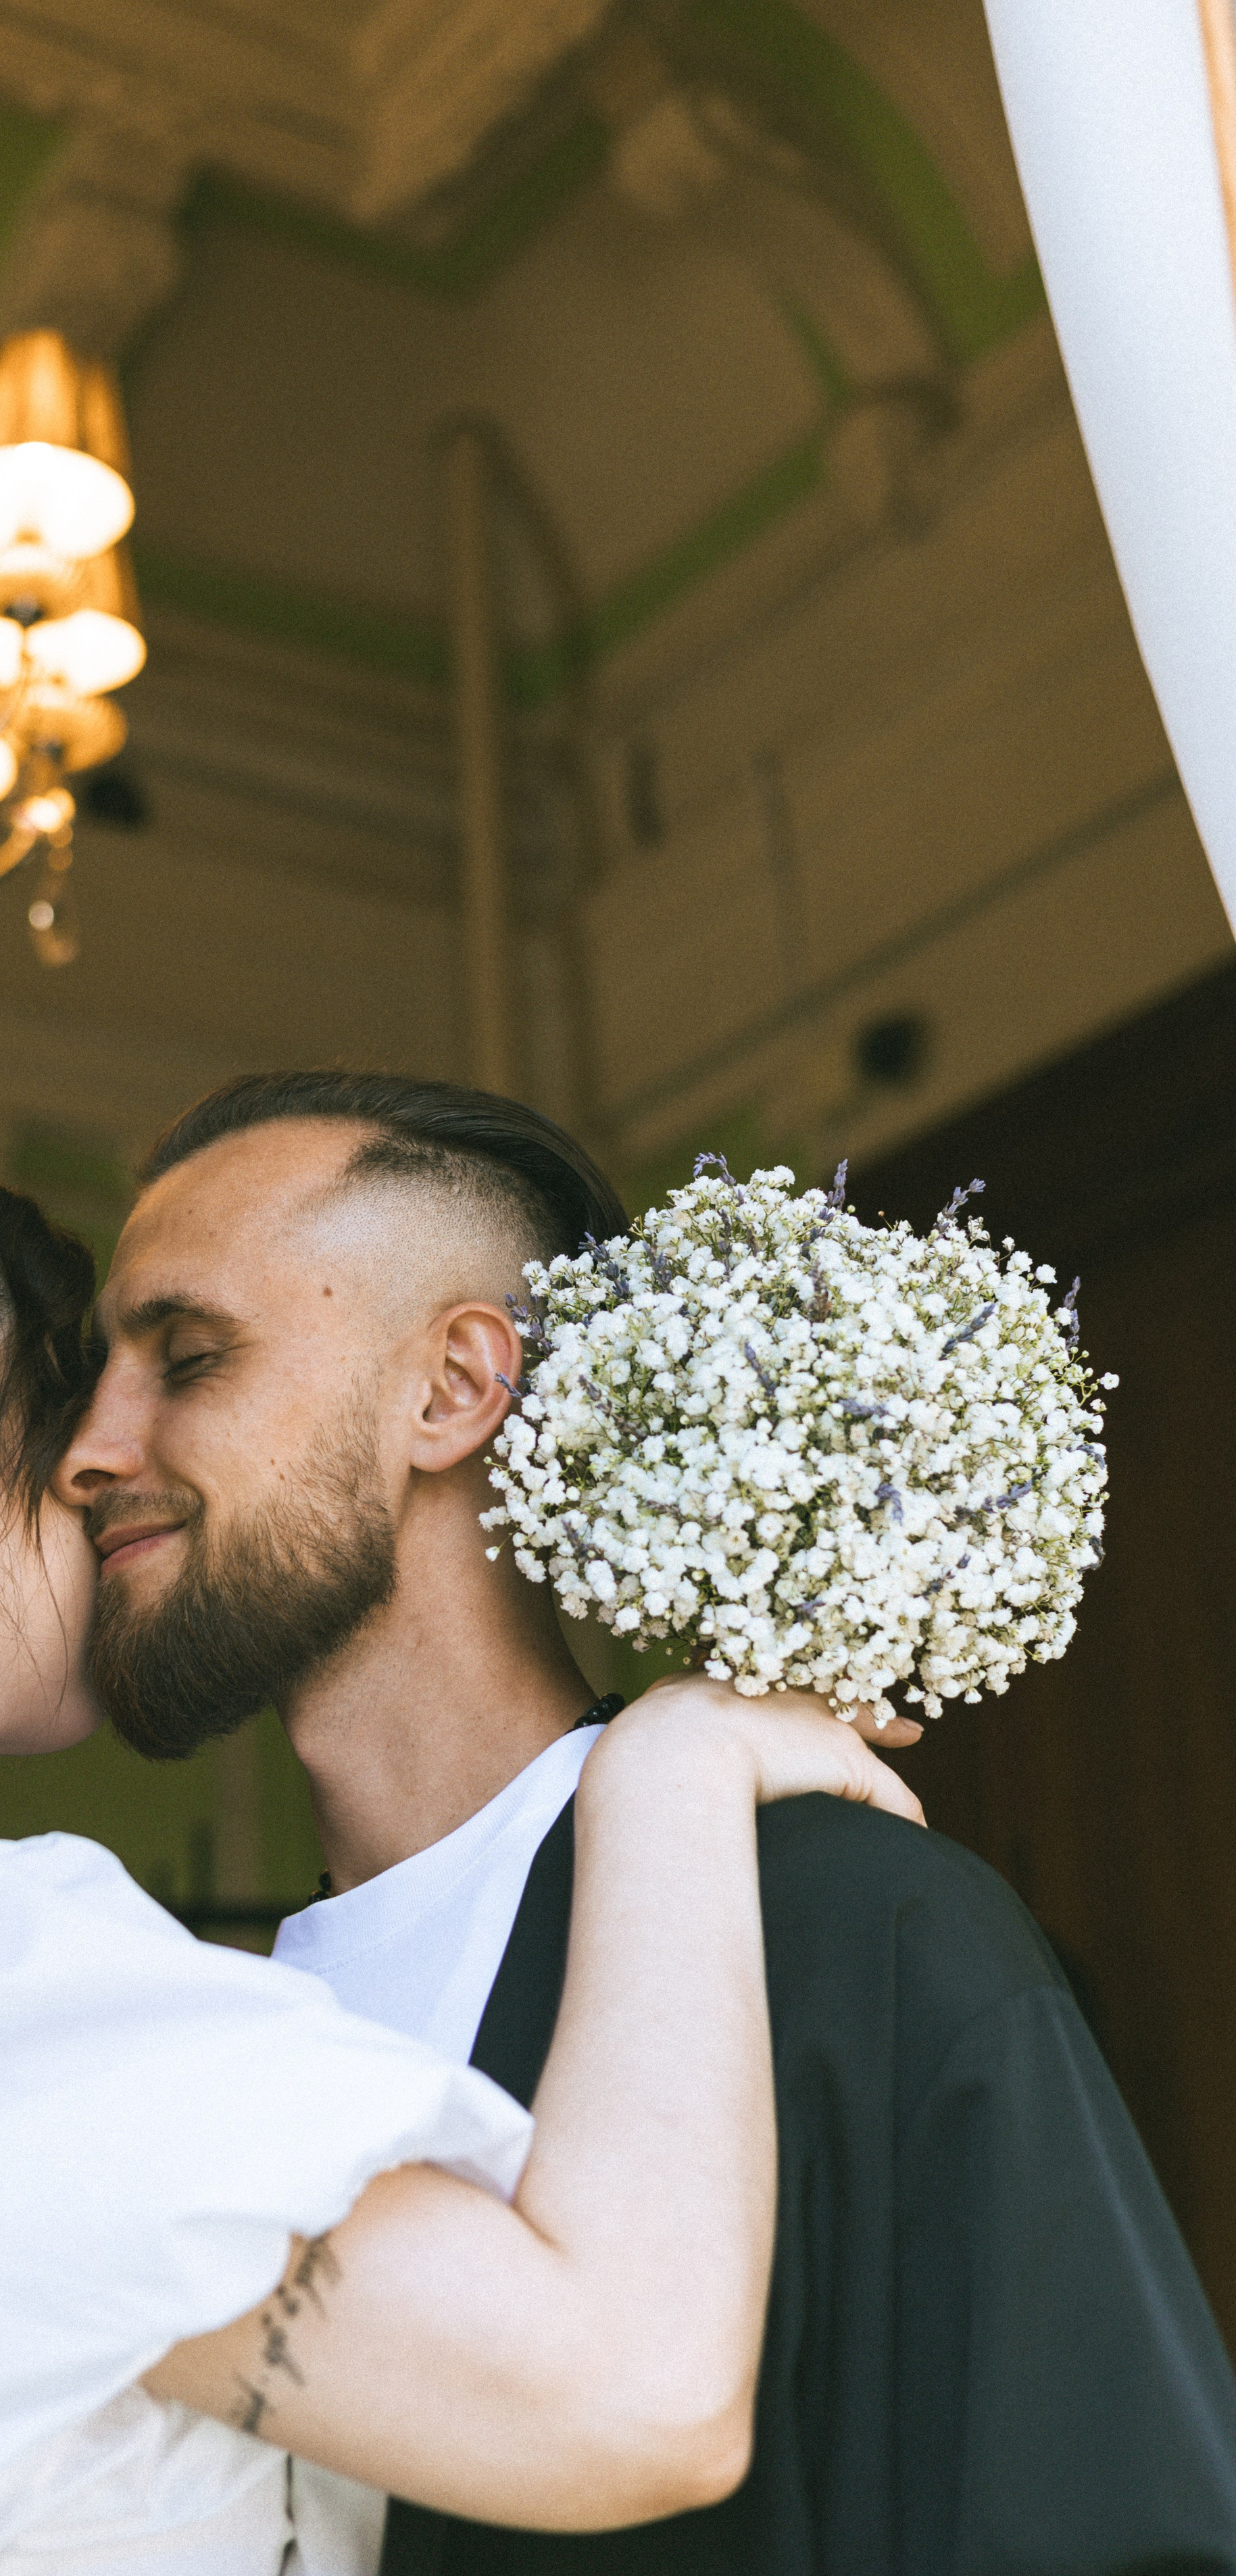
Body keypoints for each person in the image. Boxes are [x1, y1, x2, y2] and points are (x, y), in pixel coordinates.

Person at [0, 1137, 918, 2576]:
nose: (97, 1458)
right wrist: (671, 1766)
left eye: (177, 1363)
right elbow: (633, 2395)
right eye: (60, 1388)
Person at [74, 1067, 1236, 2576]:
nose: (86, 1449)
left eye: (187, 1357)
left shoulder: (849, 1929)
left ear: (452, 1390)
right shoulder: (172, 2041)